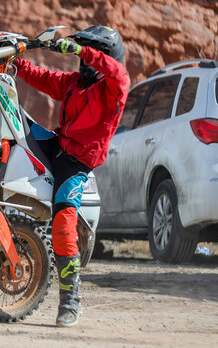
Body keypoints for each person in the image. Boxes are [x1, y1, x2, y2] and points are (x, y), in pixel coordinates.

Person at [13, 25, 130, 327]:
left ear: (104, 58)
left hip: (76, 164)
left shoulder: (116, 87)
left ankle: (70, 300)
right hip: (57, 144)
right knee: (8, 122)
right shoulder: (75, 83)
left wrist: (79, 49)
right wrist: (16, 61)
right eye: (83, 58)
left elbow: (114, 70)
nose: (85, 64)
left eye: (91, 58)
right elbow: (43, 78)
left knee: (64, 223)